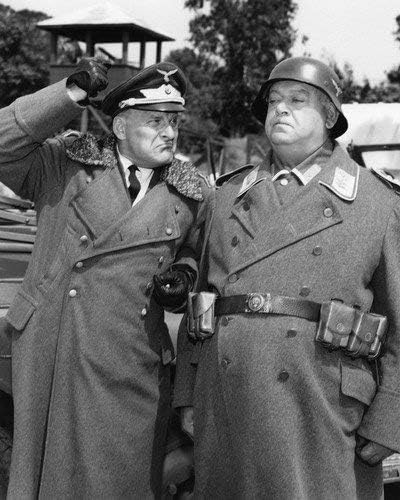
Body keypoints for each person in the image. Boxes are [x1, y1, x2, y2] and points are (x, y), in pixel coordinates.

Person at [174, 57, 400, 499]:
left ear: (330, 117)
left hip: (322, 407)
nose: (280, 109)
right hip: (226, 399)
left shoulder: (377, 203)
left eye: (297, 100)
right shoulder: (226, 196)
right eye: (274, 100)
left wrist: (390, 419)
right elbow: (199, 305)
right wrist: (187, 394)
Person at [0, 58, 208, 498]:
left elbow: (198, 252)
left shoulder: (190, 192)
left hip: (131, 359)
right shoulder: (65, 165)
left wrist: (184, 276)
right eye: (155, 121)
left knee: (120, 479)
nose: (169, 133)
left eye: (174, 121)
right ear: (120, 126)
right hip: (55, 344)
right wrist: (68, 93)